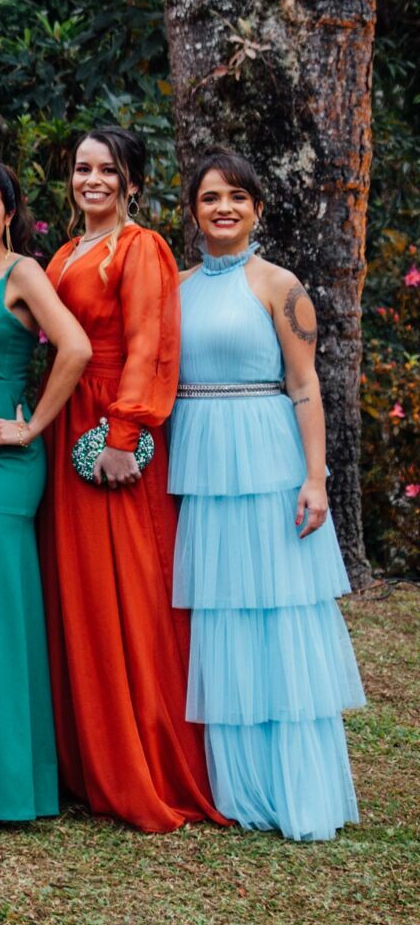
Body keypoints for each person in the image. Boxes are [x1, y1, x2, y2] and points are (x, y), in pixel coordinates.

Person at [171, 152, 363, 840]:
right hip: (200, 462)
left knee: (277, 613)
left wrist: (315, 478)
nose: (223, 208)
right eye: (209, 197)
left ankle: (298, 789)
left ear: (257, 208)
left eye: (236, 197)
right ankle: (238, 785)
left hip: (265, 456)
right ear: (193, 211)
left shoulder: (280, 285)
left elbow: (305, 385)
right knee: (220, 615)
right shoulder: (176, 286)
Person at [39, 126, 223, 832]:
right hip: (65, 423)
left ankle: (144, 762)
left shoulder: (141, 247)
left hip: (112, 427)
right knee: (81, 588)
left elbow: (150, 343)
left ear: (132, 183)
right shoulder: (64, 253)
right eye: (82, 168)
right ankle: (90, 761)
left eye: (107, 170)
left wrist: (124, 433)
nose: (91, 180)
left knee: (130, 588)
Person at [0, 157, 90, 822]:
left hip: (2, 460)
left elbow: (75, 348)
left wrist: (31, 426)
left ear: (8, 213)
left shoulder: (22, 272)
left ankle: (12, 778)